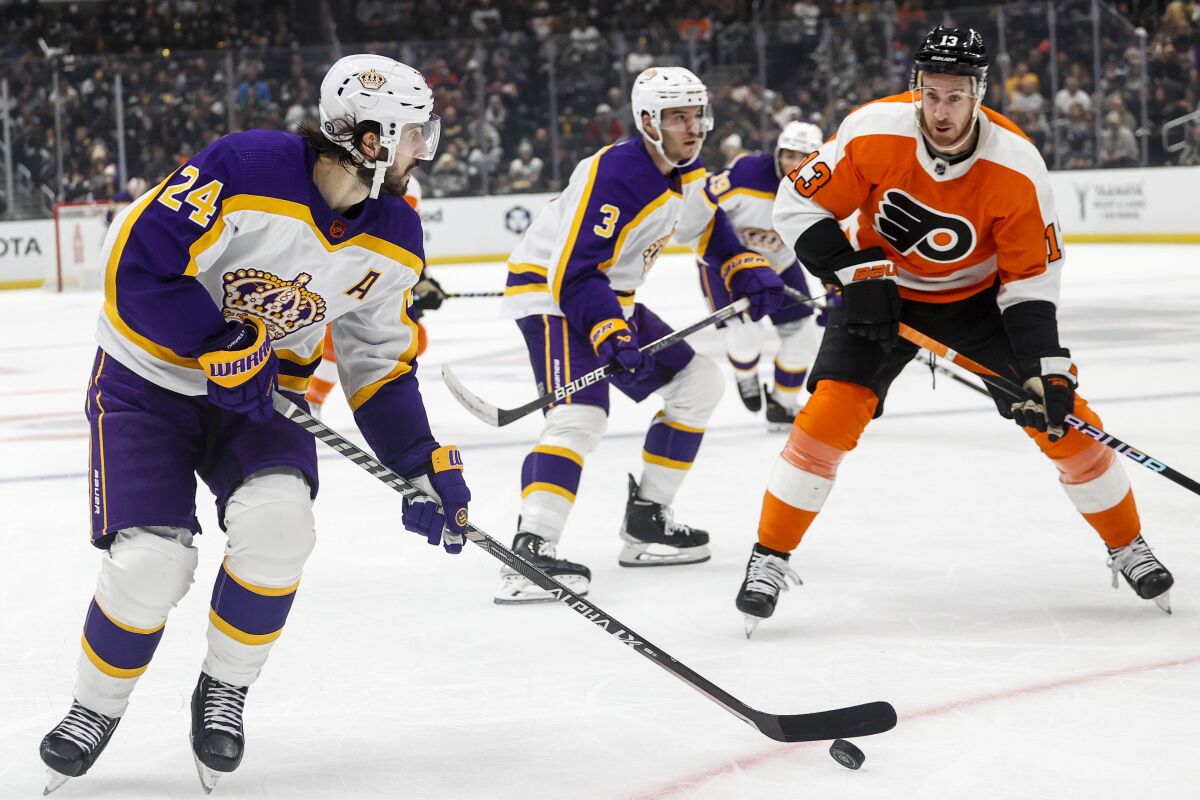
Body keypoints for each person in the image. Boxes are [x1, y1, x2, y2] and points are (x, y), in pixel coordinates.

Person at [38, 55, 472, 794]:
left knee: (280, 530)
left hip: (262, 398)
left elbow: (379, 362)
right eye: (411, 135)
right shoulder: (244, 166)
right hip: (148, 382)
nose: (422, 150)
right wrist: (212, 341)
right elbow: (134, 267)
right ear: (369, 137)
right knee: (151, 564)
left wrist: (419, 458)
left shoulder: (397, 235)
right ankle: (95, 706)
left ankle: (225, 689)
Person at [735, 27, 1174, 636]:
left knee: (1067, 423)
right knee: (825, 422)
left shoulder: (1017, 166)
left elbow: (1029, 281)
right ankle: (770, 556)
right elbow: (796, 203)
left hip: (977, 304)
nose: (942, 113)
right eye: (933, 95)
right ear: (918, 89)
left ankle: (1127, 545)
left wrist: (1045, 369)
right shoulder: (870, 132)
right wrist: (852, 273)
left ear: (979, 95)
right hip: (880, 292)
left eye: (956, 97)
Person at [495, 66, 784, 604]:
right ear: (648, 120)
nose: (693, 127)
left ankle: (647, 519)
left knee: (699, 384)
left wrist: (749, 270)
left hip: (608, 295)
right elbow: (572, 274)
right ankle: (530, 547)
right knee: (580, 415)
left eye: (697, 114)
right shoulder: (617, 173)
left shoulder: (688, 172)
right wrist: (608, 331)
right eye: (679, 116)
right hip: (554, 298)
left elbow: (712, 232)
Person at [698, 120, 828, 430]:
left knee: (805, 336)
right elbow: (702, 211)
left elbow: (832, 237)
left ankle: (782, 406)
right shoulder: (747, 174)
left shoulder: (826, 187)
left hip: (779, 265)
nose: (794, 164)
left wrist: (834, 283)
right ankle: (746, 375)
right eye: (788, 155)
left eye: (804, 157)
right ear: (778, 152)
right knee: (745, 335)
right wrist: (733, 258)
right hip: (728, 266)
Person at [305, 174, 445, 416]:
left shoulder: (409, 186)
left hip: (379, 273)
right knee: (329, 338)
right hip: (338, 267)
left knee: (415, 340)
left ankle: (381, 413)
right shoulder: (351, 174)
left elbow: (409, 240)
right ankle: (312, 399)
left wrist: (422, 281)